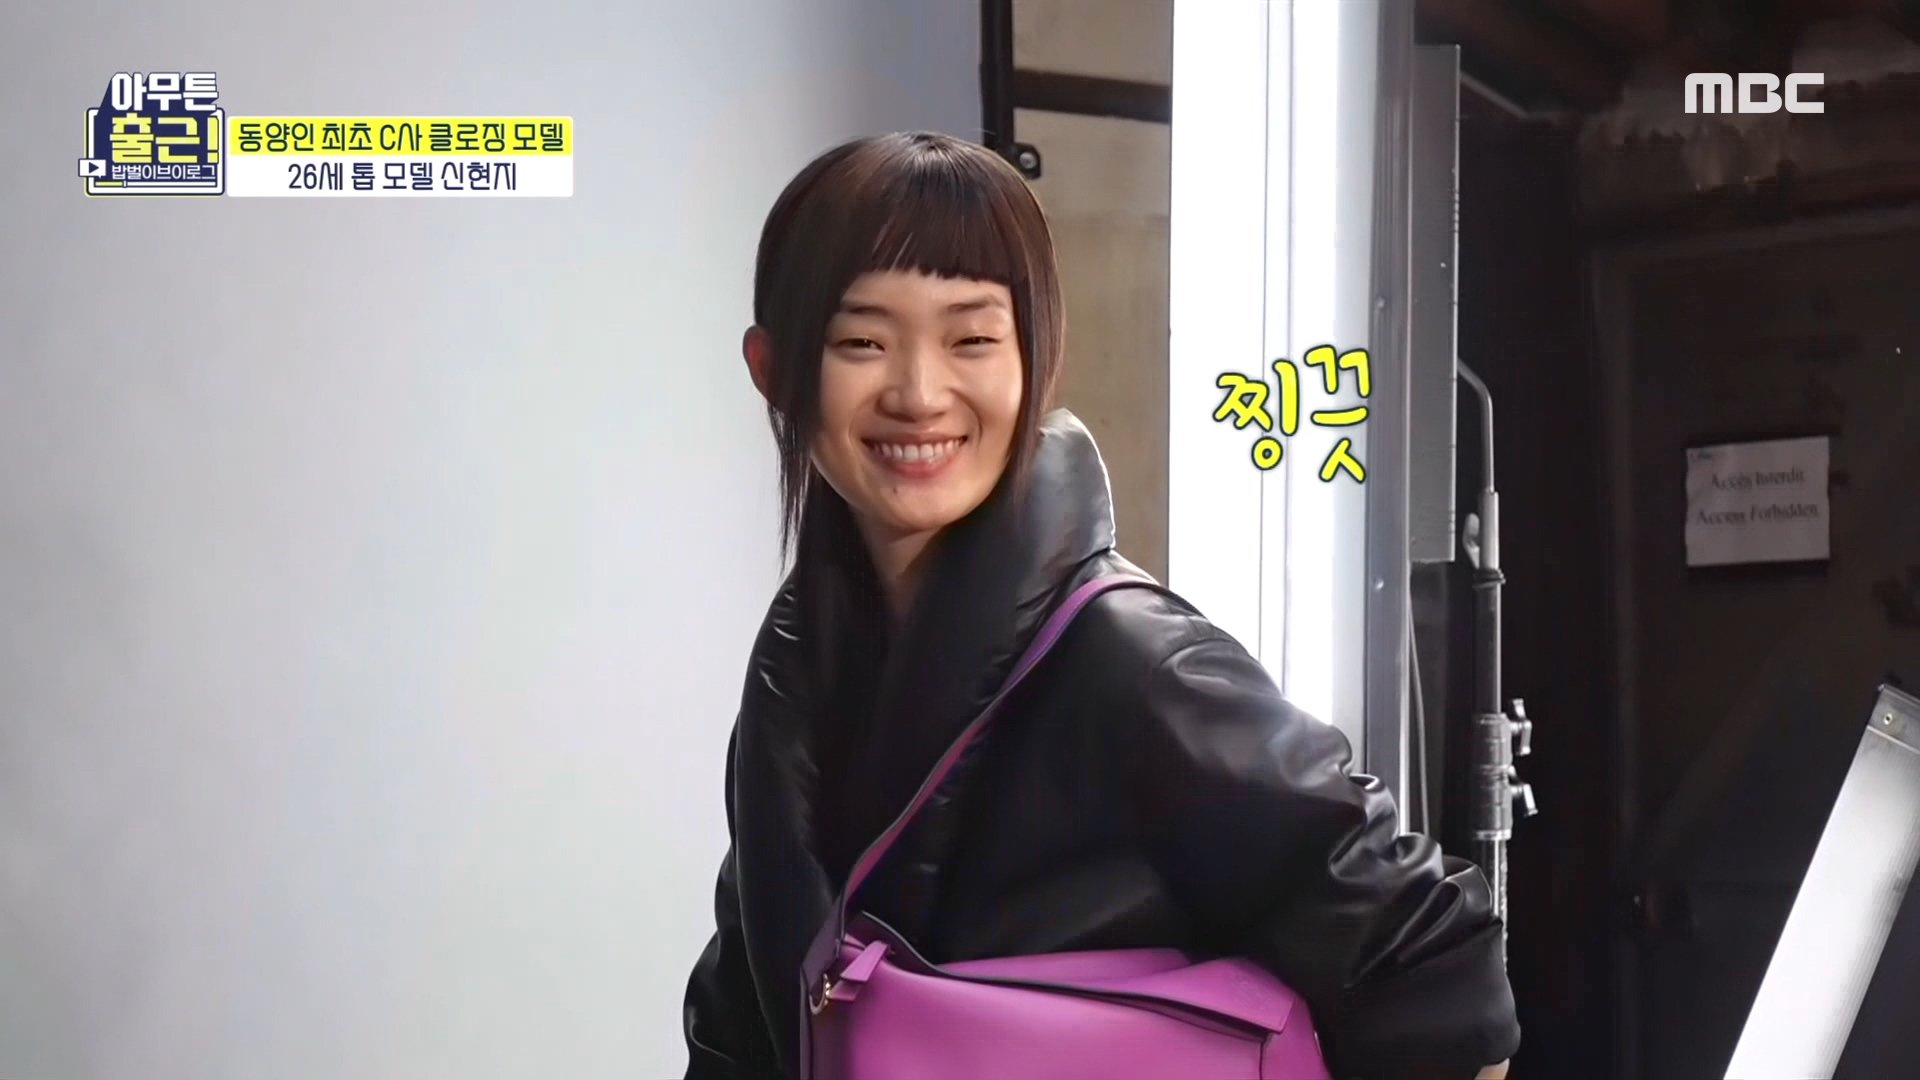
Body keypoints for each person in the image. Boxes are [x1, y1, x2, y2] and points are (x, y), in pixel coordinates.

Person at [681, 130, 1519, 1079]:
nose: (919, 393)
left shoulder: (1136, 663)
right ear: (773, 369)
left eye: (972, 339)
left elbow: (1437, 969)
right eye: (862, 342)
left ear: (1036, 358)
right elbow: (744, 1020)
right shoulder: (797, 680)